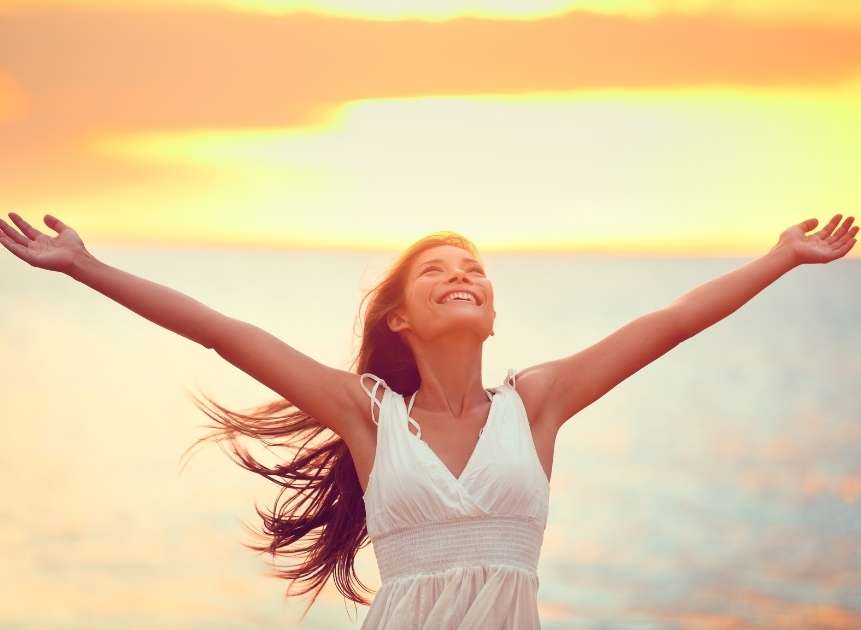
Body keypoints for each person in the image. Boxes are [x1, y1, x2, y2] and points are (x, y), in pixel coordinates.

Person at [0, 212, 856, 629]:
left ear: (491, 311)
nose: (463, 276)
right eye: (436, 271)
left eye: (475, 270)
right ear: (400, 319)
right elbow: (227, 334)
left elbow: (670, 322)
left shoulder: (538, 403)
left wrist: (783, 256)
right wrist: (84, 267)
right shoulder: (366, 417)